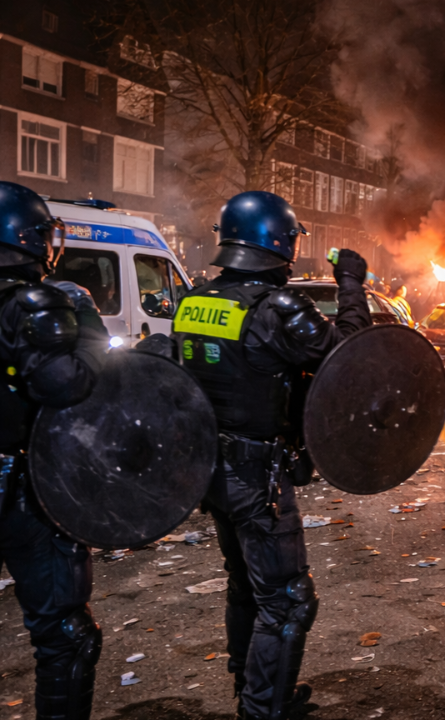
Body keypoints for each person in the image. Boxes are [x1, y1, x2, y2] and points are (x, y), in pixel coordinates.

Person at [147, 192, 372, 720]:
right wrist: (351, 283)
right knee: (288, 599)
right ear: (280, 243)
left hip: (210, 469)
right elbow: (351, 356)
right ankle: (261, 709)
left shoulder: (195, 301)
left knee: (246, 585)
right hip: (256, 475)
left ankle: (255, 692)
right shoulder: (278, 309)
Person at [0, 182, 109, 720]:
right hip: (23, 491)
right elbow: (68, 385)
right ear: (29, 236)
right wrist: (87, 329)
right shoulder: (33, 303)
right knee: (66, 635)